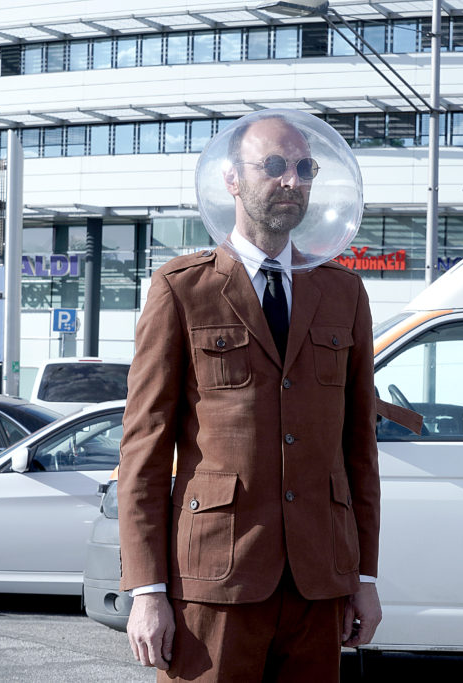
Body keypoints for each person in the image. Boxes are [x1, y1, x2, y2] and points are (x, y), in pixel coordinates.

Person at [118, 112, 381, 682]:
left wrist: (365, 580)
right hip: (216, 580)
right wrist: (148, 590)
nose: (293, 180)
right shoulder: (181, 289)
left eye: (304, 168)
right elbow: (143, 450)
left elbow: (359, 449)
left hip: (319, 582)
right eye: (275, 166)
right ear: (232, 179)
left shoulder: (343, 293)